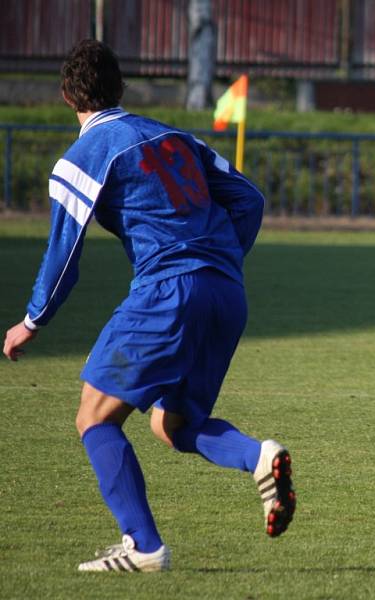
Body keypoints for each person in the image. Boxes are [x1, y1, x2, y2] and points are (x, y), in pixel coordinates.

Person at [2, 39, 296, 572]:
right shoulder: (173, 135)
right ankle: (259, 457)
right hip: (226, 293)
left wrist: (32, 320)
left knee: (94, 416)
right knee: (174, 425)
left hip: (169, 290)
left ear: (68, 96)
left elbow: (63, 252)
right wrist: (222, 259)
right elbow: (249, 198)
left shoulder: (84, 154)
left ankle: (143, 546)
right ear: (122, 88)